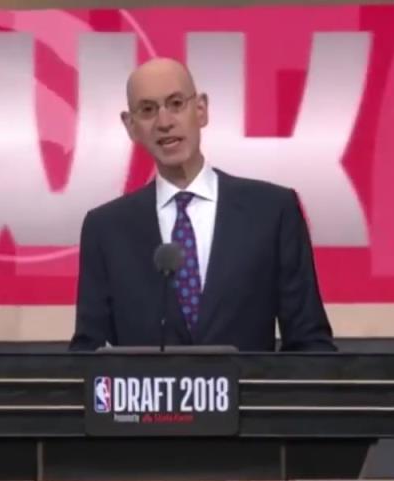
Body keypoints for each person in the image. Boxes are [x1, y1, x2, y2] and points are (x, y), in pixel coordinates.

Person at [68, 58, 335, 353]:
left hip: (246, 385)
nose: (164, 122)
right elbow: (88, 354)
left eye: (176, 103)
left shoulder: (272, 212)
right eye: (147, 110)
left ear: (201, 109)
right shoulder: (106, 229)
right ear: (131, 126)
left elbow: (310, 344)